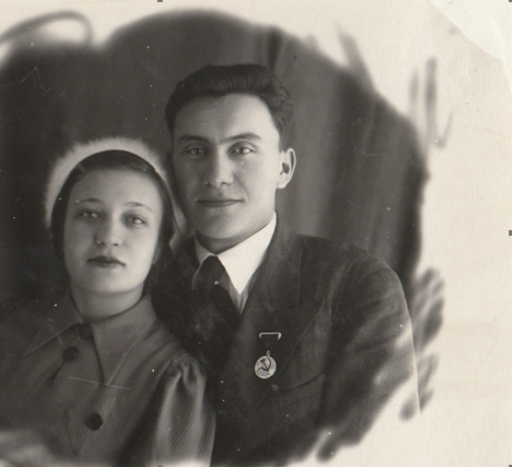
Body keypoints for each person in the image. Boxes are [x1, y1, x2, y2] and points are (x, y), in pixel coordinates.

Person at [154, 64, 419, 465]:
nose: (216, 175)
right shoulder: (146, 287)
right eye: (195, 151)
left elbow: (382, 455)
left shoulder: (356, 285)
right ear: (172, 167)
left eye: (242, 150)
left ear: (284, 168)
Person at [0, 138, 215, 466]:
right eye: (89, 214)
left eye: (134, 219)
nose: (108, 236)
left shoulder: (172, 377)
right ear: (61, 232)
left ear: (159, 246)